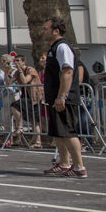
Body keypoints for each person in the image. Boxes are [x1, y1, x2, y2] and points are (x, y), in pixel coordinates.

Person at [41, 16, 87, 177]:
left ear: (56, 31)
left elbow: (67, 71)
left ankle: (79, 167)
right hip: (55, 97)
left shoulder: (62, 47)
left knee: (68, 132)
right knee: (58, 132)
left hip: (63, 98)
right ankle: (64, 163)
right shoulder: (53, 48)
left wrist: (62, 96)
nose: (43, 31)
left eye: (45, 29)